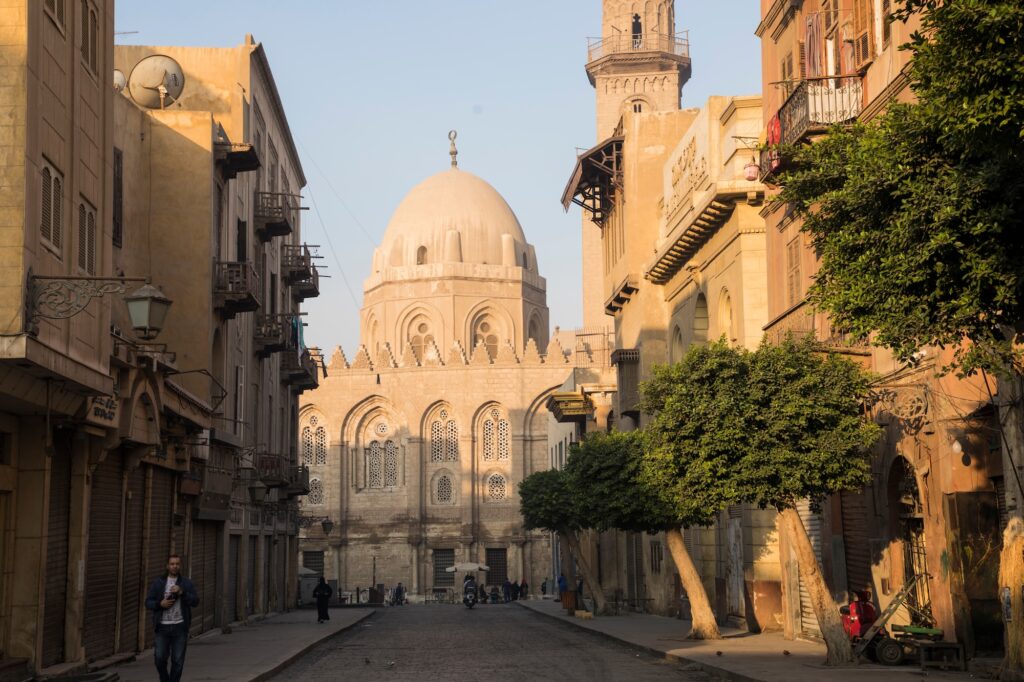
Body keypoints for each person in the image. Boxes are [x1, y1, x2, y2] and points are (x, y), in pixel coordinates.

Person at [145, 554, 199, 682]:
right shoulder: (159, 582)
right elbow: (148, 602)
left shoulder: (186, 583)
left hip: (180, 626)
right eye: (172, 564)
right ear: (167, 566)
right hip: (162, 627)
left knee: (178, 661)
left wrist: (182, 592)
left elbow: (196, 601)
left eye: (177, 564)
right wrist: (160, 604)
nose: (175, 566)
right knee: (159, 659)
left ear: (180, 566)